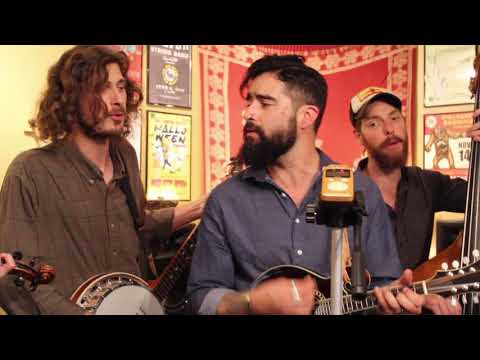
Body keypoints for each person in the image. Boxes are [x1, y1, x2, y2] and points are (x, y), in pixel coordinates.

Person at [187, 54, 447, 315]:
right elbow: (201, 296)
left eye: (264, 103)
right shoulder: (225, 200)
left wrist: (394, 303)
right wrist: (250, 302)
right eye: (249, 102)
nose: (248, 113)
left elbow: (383, 285)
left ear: (306, 116)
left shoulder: (363, 191)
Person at [0, 45, 205, 315]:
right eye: (102, 88)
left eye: (120, 87)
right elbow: (14, 281)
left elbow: (134, 227)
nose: (117, 98)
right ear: (70, 99)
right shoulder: (30, 171)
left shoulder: (126, 157)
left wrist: (201, 207)